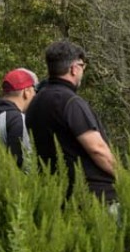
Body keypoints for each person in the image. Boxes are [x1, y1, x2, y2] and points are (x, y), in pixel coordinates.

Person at [26, 40, 117, 203]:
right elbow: (97, 148)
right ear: (74, 69)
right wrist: (124, 178)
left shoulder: (35, 103)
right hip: (93, 196)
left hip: (57, 194)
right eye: (82, 66)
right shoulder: (70, 102)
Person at [0, 67, 38, 166]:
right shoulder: (17, 119)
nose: (35, 94)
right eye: (34, 90)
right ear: (26, 92)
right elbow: (25, 165)